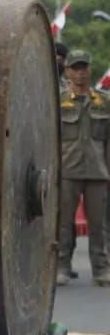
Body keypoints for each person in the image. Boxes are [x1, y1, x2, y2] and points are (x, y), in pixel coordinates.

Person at [58, 51, 110, 287]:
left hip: (97, 171)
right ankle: (62, 267)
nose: (80, 72)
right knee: (63, 222)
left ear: (90, 70)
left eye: (84, 68)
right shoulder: (58, 101)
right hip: (68, 171)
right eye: (75, 68)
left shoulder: (104, 101)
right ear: (67, 71)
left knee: (99, 224)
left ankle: (101, 269)